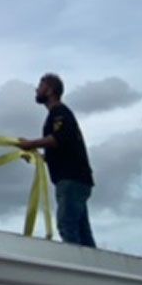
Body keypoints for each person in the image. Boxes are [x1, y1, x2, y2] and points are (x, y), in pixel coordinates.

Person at [18, 72, 96, 247]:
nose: (37, 90)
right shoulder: (57, 114)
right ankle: (93, 262)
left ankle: (75, 262)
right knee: (82, 231)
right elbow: (61, 148)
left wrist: (30, 144)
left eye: (41, 86)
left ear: (50, 90)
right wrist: (39, 157)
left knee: (67, 225)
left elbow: (57, 139)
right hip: (76, 179)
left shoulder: (59, 113)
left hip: (71, 179)